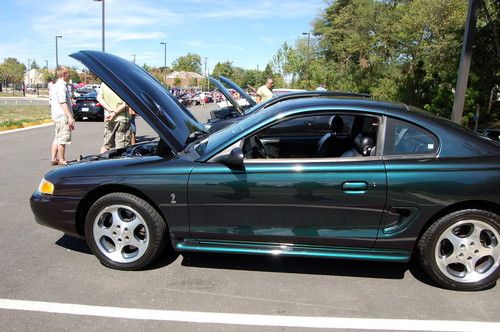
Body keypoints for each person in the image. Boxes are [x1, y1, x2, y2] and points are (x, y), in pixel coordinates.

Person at [50, 67, 75, 166]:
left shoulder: (55, 85)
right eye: (68, 74)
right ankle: (62, 159)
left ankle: (53, 158)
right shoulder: (61, 86)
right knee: (62, 139)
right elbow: (63, 102)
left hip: (57, 116)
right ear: (64, 75)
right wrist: (70, 117)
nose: (69, 76)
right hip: (62, 116)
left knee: (57, 137)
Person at [97, 82, 131, 153]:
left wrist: (109, 109)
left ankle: (101, 162)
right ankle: (121, 163)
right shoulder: (122, 83)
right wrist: (114, 112)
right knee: (122, 147)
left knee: (106, 145)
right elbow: (126, 103)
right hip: (122, 118)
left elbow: (99, 98)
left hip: (108, 118)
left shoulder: (104, 83)